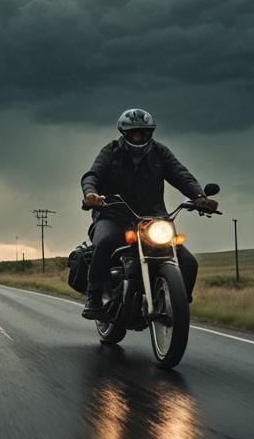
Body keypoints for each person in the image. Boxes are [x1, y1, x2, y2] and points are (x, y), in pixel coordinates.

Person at [79, 108, 216, 320]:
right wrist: (91, 194)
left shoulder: (160, 152)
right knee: (106, 241)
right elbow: (92, 175)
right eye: (133, 133)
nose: (138, 137)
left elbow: (181, 174)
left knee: (189, 262)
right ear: (124, 134)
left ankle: (175, 306)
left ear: (149, 133)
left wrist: (199, 196)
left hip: (154, 219)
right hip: (114, 216)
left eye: (143, 132)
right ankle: (94, 297)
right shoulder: (111, 151)